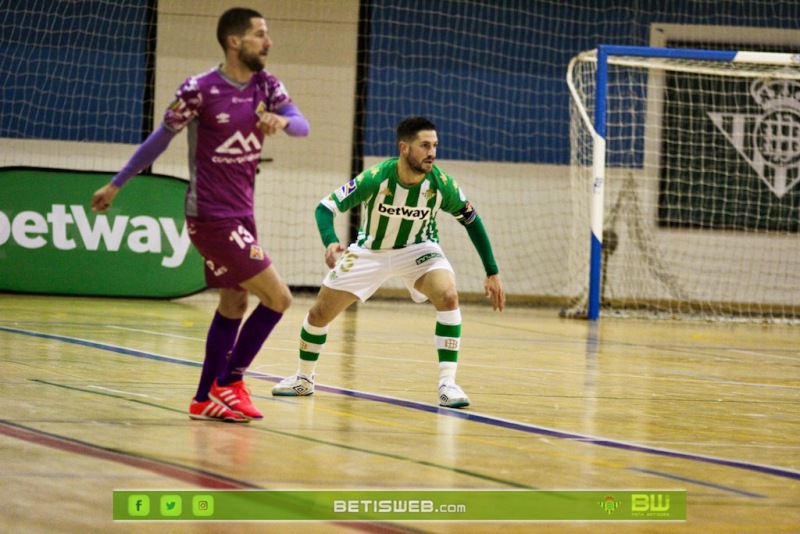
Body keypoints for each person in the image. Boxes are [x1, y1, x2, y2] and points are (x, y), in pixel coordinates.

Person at [91, 7, 309, 423]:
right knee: (278, 298)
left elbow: (303, 126)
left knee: (234, 300)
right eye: (260, 34)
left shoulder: (266, 84)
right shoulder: (200, 90)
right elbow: (160, 139)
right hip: (210, 217)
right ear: (235, 41)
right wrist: (116, 183)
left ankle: (201, 399)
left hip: (243, 214)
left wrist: (282, 121)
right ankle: (229, 382)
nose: (269, 41)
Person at [273, 116, 504, 408]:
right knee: (319, 314)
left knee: (448, 294)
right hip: (371, 251)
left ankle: (448, 384)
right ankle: (303, 379)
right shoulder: (377, 177)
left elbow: (472, 221)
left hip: (419, 249)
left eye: (434, 145)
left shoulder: (441, 184)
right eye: (424, 145)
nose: (432, 152)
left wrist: (492, 271)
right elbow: (325, 207)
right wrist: (330, 242)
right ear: (404, 148)